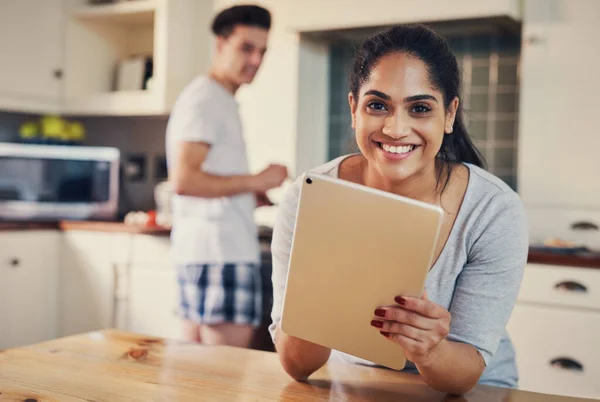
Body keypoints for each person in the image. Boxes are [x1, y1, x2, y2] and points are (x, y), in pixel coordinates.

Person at [269, 25, 528, 395]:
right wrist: (319, 294)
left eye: (420, 108)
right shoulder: (308, 198)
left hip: (472, 390)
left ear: (450, 114)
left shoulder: (493, 211)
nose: (395, 128)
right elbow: (296, 365)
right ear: (354, 110)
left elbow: (462, 378)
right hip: (355, 382)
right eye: (377, 105)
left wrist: (432, 350)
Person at [166, 4, 287, 348]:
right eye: (246, 48)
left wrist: (248, 193)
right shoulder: (206, 99)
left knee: (196, 378)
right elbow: (184, 180)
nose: (255, 60)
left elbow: (205, 178)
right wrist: (257, 180)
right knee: (228, 378)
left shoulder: (217, 99)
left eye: (262, 51)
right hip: (221, 255)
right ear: (220, 44)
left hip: (207, 253)